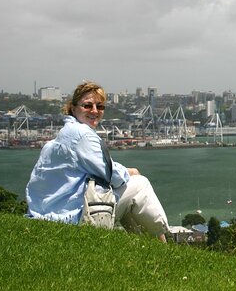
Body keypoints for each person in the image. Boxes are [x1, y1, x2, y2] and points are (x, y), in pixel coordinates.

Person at [26, 81, 169, 241]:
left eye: (100, 107)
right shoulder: (82, 134)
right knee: (140, 184)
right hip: (73, 220)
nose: (94, 111)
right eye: (87, 106)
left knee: (129, 194)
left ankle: (146, 245)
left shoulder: (64, 134)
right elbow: (111, 176)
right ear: (73, 108)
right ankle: (162, 243)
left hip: (49, 217)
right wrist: (131, 172)